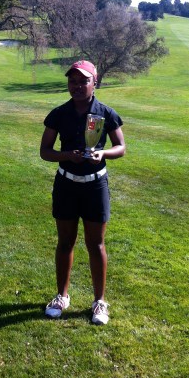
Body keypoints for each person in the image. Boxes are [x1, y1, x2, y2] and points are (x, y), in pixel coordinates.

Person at [40, 60, 126, 325]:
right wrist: (67, 155)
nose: (77, 86)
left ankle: (99, 302)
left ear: (94, 82)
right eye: (73, 81)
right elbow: (45, 151)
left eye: (83, 81)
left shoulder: (105, 113)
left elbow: (120, 147)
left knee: (96, 244)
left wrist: (102, 153)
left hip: (95, 185)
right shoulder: (59, 113)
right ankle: (61, 296)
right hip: (66, 183)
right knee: (65, 242)